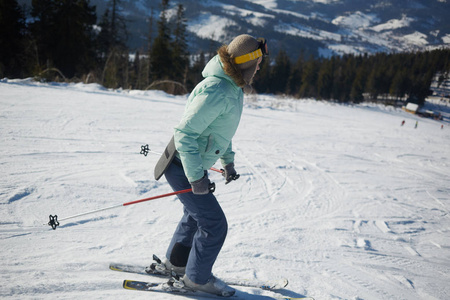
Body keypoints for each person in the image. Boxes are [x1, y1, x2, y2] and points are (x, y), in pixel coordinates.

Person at [152, 34, 268, 297]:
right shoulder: (219, 90)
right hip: (183, 166)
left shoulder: (232, 87)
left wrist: (228, 161)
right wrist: (196, 178)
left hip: (189, 165)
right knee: (214, 224)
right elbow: (185, 133)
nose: (260, 67)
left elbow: (219, 131)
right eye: (258, 62)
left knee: (196, 216)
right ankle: (196, 279)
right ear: (247, 63)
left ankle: (178, 264)